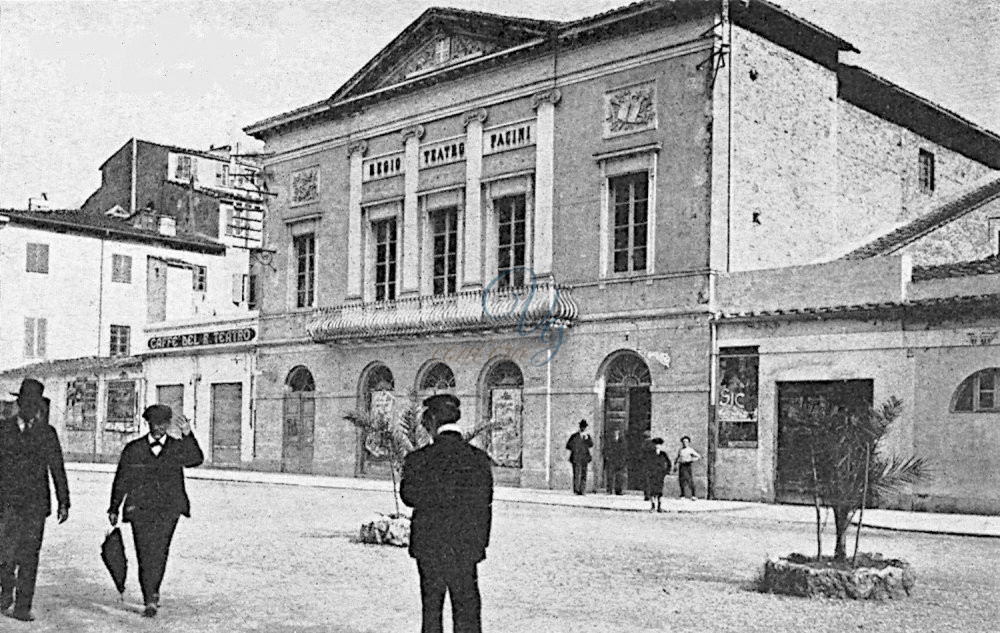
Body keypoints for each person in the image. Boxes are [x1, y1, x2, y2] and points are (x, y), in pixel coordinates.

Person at [400, 394, 493, 633]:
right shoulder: (479, 460)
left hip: (429, 547)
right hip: (465, 548)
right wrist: (479, 545)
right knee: (467, 611)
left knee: (431, 611)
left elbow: (408, 497)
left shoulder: (418, 460)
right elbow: (485, 503)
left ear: (431, 421)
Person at [108, 404, 203, 618]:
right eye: (156, 423)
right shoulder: (134, 449)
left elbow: (196, 459)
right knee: (144, 552)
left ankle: (153, 591)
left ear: (169, 424)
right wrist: (114, 507)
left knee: (160, 550)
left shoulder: (177, 447)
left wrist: (188, 435)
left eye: (164, 424)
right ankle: (149, 596)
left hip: (168, 510)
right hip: (140, 509)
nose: (160, 428)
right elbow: (121, 479)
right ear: (148, 424)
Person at [0, 379, 70, 622]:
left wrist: (64, 501)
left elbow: (57, 468)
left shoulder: (47, 433)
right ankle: (5, 591)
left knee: (30, 555)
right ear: (19, 403)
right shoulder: (3, 430)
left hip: (35, 506)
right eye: (27, 403)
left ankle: (23, 606)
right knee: (4, 554)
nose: (32, 408)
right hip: (5, 504)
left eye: (35, 404)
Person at [565, 420, 593, 495]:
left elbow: (591, 445)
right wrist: (575, 448)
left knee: (584, 474)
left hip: (584, 458)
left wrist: (587, 438)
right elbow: (568, 445)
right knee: (576, 474)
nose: (583, 428)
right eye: (582, 427)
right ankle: (576, 490)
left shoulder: (587, 436)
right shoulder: (574, 436)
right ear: (580, 427)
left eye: (584, 427)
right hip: (576, 458)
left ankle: (582, 490)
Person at [645, 438, 672, 512]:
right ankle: (653, 506)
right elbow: (647, 463)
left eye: (659, 444)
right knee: (652, 490)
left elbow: (669, 463)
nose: (657, 446)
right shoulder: (650, 454)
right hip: (652, 474)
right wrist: (648, 472)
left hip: (660, 475)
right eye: (656, 444)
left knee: (659, 490)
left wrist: (666, 472)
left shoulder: (663, 454)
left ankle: (659, 507)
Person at [673, 435, 701, 500]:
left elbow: (698, 456)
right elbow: (677, 458)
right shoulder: (680, 450)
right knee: (681, 480)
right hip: (681, 466)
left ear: (688, 442)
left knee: (689, 480)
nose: (685, 443)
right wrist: (675, 465)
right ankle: (682, 495)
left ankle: (693, 495)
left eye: (686, 442)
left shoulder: (690, 450)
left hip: (687, 466)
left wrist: (691, 460)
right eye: (683, 442)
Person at [604, 429, 626, 495]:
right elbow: (605, 449)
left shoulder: (622, 440)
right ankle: (609, 490)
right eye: (615, 431)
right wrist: (607, 457)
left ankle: (618, 490)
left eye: (617, 431)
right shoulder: (609, 440)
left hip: (619, 461)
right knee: (610, 476)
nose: (616, 433)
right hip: (611, 460)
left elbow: (624, 450)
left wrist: (623, 459)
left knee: (619, 477)